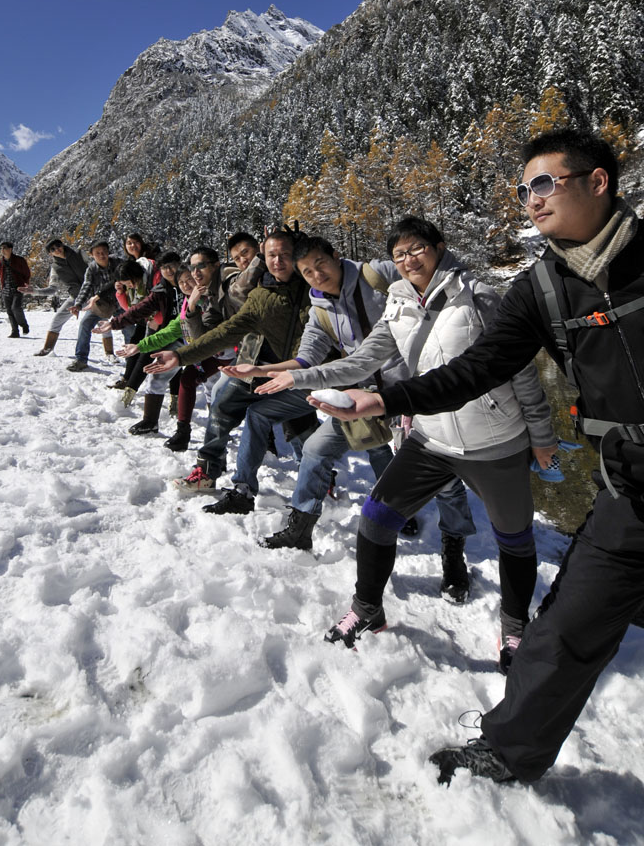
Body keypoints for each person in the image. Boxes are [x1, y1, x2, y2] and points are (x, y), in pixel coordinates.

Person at [314, 130, 639, 786]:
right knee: (568, 625)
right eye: (523, 190)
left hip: (501, 448)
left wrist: (540, 434)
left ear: (598, 181)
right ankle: (510, 752)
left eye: (545, 183)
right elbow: (479, 368)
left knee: (527, 556)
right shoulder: (542, 288)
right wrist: (382, 401)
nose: (531, 200)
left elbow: (510, 384)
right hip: (630, 487)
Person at [278, 217, 556, 661]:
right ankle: (367, 608)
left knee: (515, 540)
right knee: (375, 520)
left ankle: (515, 627)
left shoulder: (478, 295)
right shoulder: (397, 303)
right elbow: (361, 361)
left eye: (416, 250)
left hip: (496, 440)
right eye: (399, 255)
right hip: (430, 437)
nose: (408, 260)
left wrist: (541, 436)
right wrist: (294, 377)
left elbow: (520, 370)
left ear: (439, 248)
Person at [219, 235, 477, 562]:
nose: (316, 274)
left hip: (415, 391)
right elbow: (306, 359)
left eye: (320, 264)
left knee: (443, 477)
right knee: (316, 448)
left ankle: (453, 545)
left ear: (336, 256)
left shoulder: (376, 275)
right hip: (365, 397)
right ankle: (301, 528)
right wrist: (258, 370)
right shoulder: (320, 310)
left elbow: (426, 270)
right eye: (307, 272)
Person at [146, 231, 318, 492]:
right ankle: (207, 471)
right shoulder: (226, 292)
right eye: (191, 267)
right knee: (222, 406)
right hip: (252, 362)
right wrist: (190, 315)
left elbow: (241, 287)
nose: (195, 272)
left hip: (296, 368)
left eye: (247, 254)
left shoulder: (237, 279)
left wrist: (261, 257)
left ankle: (319, 477)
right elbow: (212, 335)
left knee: (300, 424)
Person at [93, 250, 183, 432]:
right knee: (158, 374)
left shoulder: (189, 284)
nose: (169, 270)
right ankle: (151, 422)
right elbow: (138, 309)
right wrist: (114, 323)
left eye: (172, 266)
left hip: (202, 337)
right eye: (165, 267)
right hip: (175, 333)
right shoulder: (160, 290)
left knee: (208, 383)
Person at [20, 239, 90, 356]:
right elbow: (52, 289)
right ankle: (47, 349)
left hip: (92, 294)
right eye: (52, 249)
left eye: (58, 246)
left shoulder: (80, 254)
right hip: (75, 297)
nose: (57, 249)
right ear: (50, 253)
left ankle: (109, 353)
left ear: (62, 244)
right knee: (56, 320)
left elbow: (96, 268)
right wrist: (35, 291)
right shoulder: (55, 268)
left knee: (101, 323)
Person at [66, 239, 117, 371]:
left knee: (129, 329)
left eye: (104, 252)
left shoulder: (118, 263)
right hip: (99, 304)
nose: (101, 255)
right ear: (92, 255)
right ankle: (81, 359)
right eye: (97, 253)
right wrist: (78, 305)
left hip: (120, 302)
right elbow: (86, 286)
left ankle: (134, 360)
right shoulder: (92, 269)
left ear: (108, 252)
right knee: (85, 325)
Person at [0, 242, 30, 338]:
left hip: (18, 288)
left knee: (16, 307)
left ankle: (24, 324)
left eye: (5, 248)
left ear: (10, 249)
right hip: (6, 289)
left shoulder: (19, 260)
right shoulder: (0, 262)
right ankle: (15, 331)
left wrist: (26, 283)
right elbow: (1, 275)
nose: (2, 250)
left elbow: (26, 273)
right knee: (9, 311)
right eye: (1, 248)